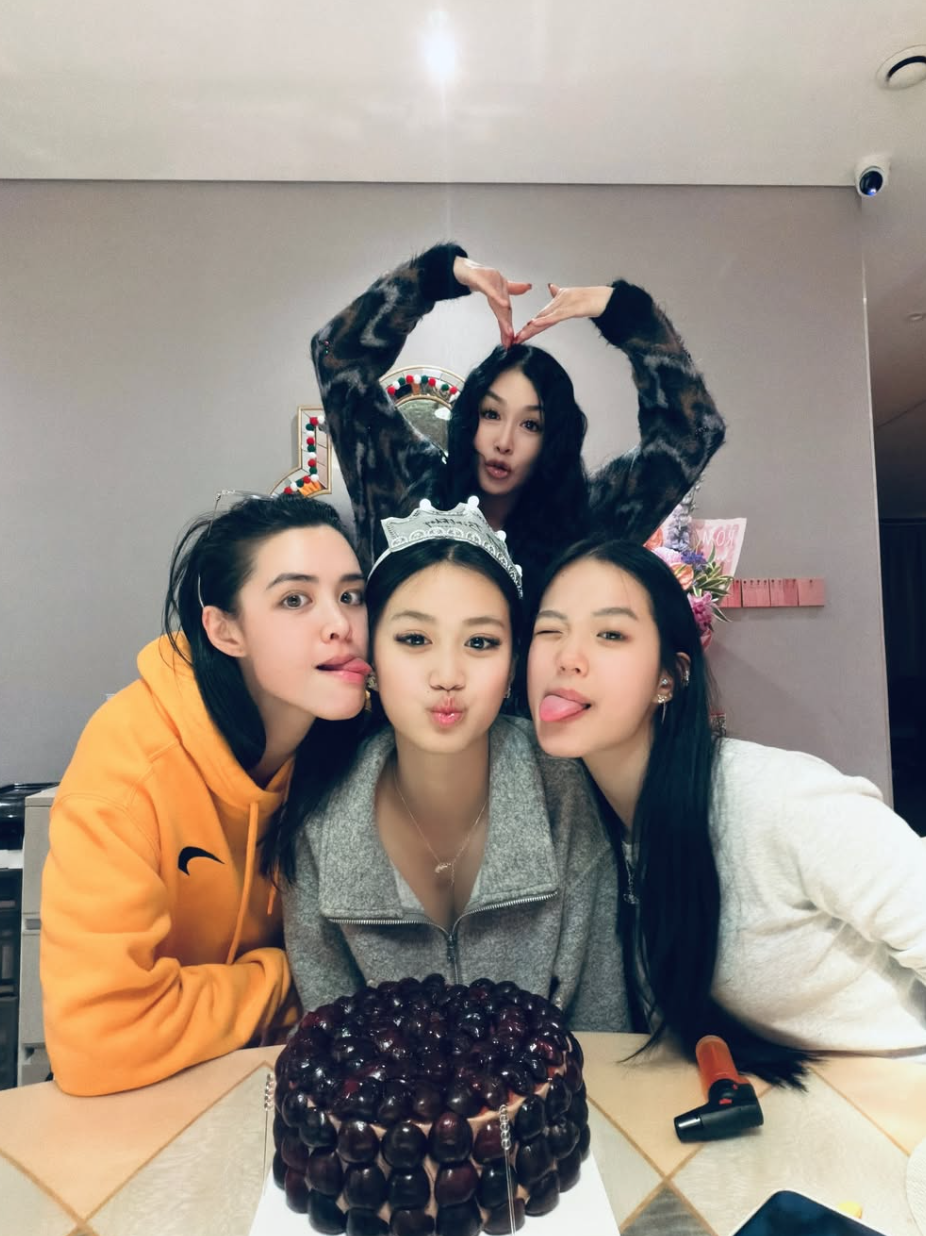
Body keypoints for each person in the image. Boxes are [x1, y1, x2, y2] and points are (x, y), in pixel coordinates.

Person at [526, 538, 926, 1083]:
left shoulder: (776, 798)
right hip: (790, 1106)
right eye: (549, 631)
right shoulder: (587, 823)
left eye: (611, 634)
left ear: (669, 677)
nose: (566, 657)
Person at [41, 494, 370, 1095]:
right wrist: (294, 976)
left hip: (293, 1093)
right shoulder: (129, 767)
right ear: (225, 630)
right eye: (294, 600)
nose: (341, 625)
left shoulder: (355, 748)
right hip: (141, 1105)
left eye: (351, 595)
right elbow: (97, 1040)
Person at [281, 500, 625, 1029]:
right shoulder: (320, 810)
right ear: (372, 659)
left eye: (480, 642)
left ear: (513, 665)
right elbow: (329, 1043)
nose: (447, 675)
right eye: (414, 639)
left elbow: (602, 1021)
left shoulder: (562, 786)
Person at [311, 242, 726, 603]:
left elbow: (694, 434)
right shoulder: (407, 487)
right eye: (491, 414)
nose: (504, 442)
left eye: (531, 425)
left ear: (552, 440)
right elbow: (336, 358)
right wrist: (434, 276)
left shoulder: (586, 523)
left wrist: (625, 313)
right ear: (469, 419)